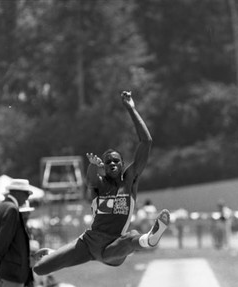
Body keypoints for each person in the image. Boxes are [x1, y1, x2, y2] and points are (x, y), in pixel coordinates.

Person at [33, 91, 170, 276]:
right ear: (103, 167)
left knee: (131, 237)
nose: (112, 163)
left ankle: (150, 239)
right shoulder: (100, 184)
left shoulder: (130, 181)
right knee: (40, 269)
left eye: (116, 161)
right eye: (108, 162)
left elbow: (146, 141)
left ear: (123, 164)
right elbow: (91, 180)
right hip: (88, 243)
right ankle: (55, 254)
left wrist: (131, 109)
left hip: (113, 247)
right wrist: (92, 166)